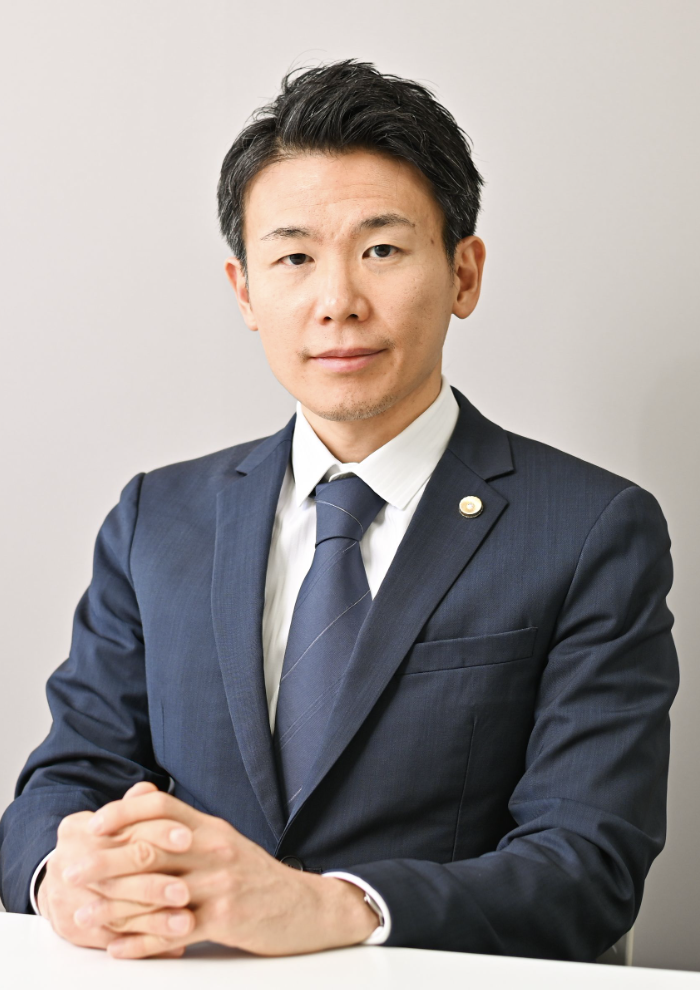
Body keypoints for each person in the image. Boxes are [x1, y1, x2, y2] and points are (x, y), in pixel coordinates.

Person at [0, 59, 679, 963]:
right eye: (294, 257)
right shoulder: (157, 518)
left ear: (464, 273)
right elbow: (67, 782)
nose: (338, 303)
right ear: (246, 291)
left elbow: (587, 866)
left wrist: (329, 908)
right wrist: (62, 873)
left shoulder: (592, 529)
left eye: (381, 250)